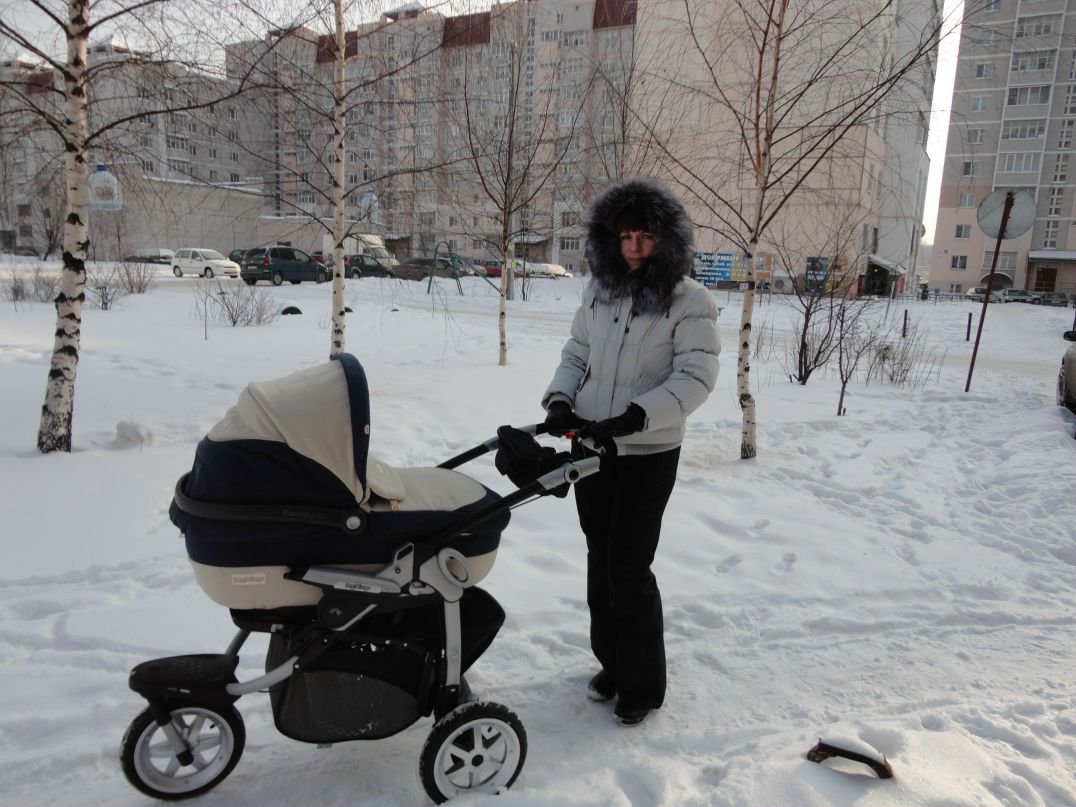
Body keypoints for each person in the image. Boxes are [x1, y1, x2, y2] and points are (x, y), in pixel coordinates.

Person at [541, 178, 721, 726]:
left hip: (647, 450)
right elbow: (577, 352)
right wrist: (559, 400)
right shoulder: (599, 292)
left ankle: (641, 684)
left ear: (665, 239)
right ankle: (612, 662)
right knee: (600, 556)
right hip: (595, 442)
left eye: (646, 235)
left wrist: (640, 415)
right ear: (611, 241)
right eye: (627, 237)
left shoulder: (690, 300)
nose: (636, 246)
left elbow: (696, 376)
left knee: (628, 564)